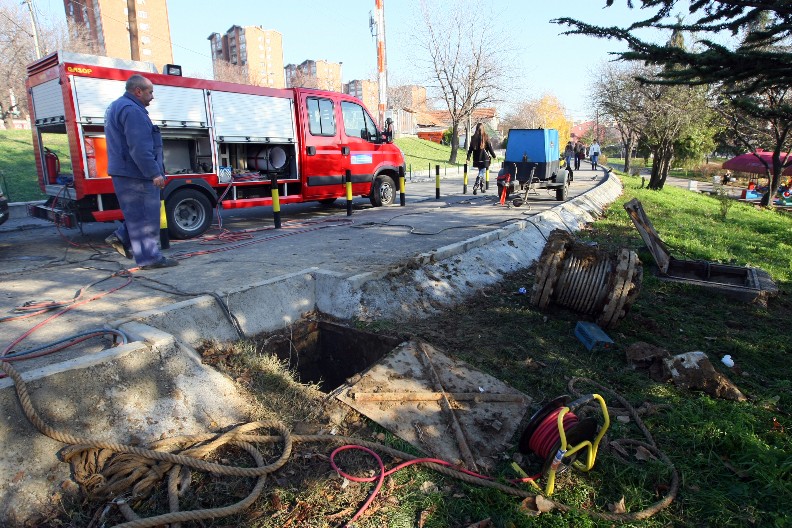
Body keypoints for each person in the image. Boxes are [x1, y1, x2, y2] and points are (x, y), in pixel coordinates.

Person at [104, 74, 178, 269]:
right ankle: (150, 259)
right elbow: (139, 147)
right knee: (146, 216)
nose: (152, 97)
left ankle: (120, 238)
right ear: (138, 91)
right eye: (150, 92)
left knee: (137, 215)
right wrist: (154, 173)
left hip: (125, 172)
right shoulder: (132, 111)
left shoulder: (117, 106)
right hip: (136, 174)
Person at [466, 123, 497, 195]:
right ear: (483, 128)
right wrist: (494, 156)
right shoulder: (485, 137)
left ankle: (482, 188)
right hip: (484, 159)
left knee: (481, 171)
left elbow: (470, 149)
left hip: (477, 159)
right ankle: (476, 184)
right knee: (481, 172)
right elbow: (490, 148)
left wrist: (468, 158)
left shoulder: (473, 138)